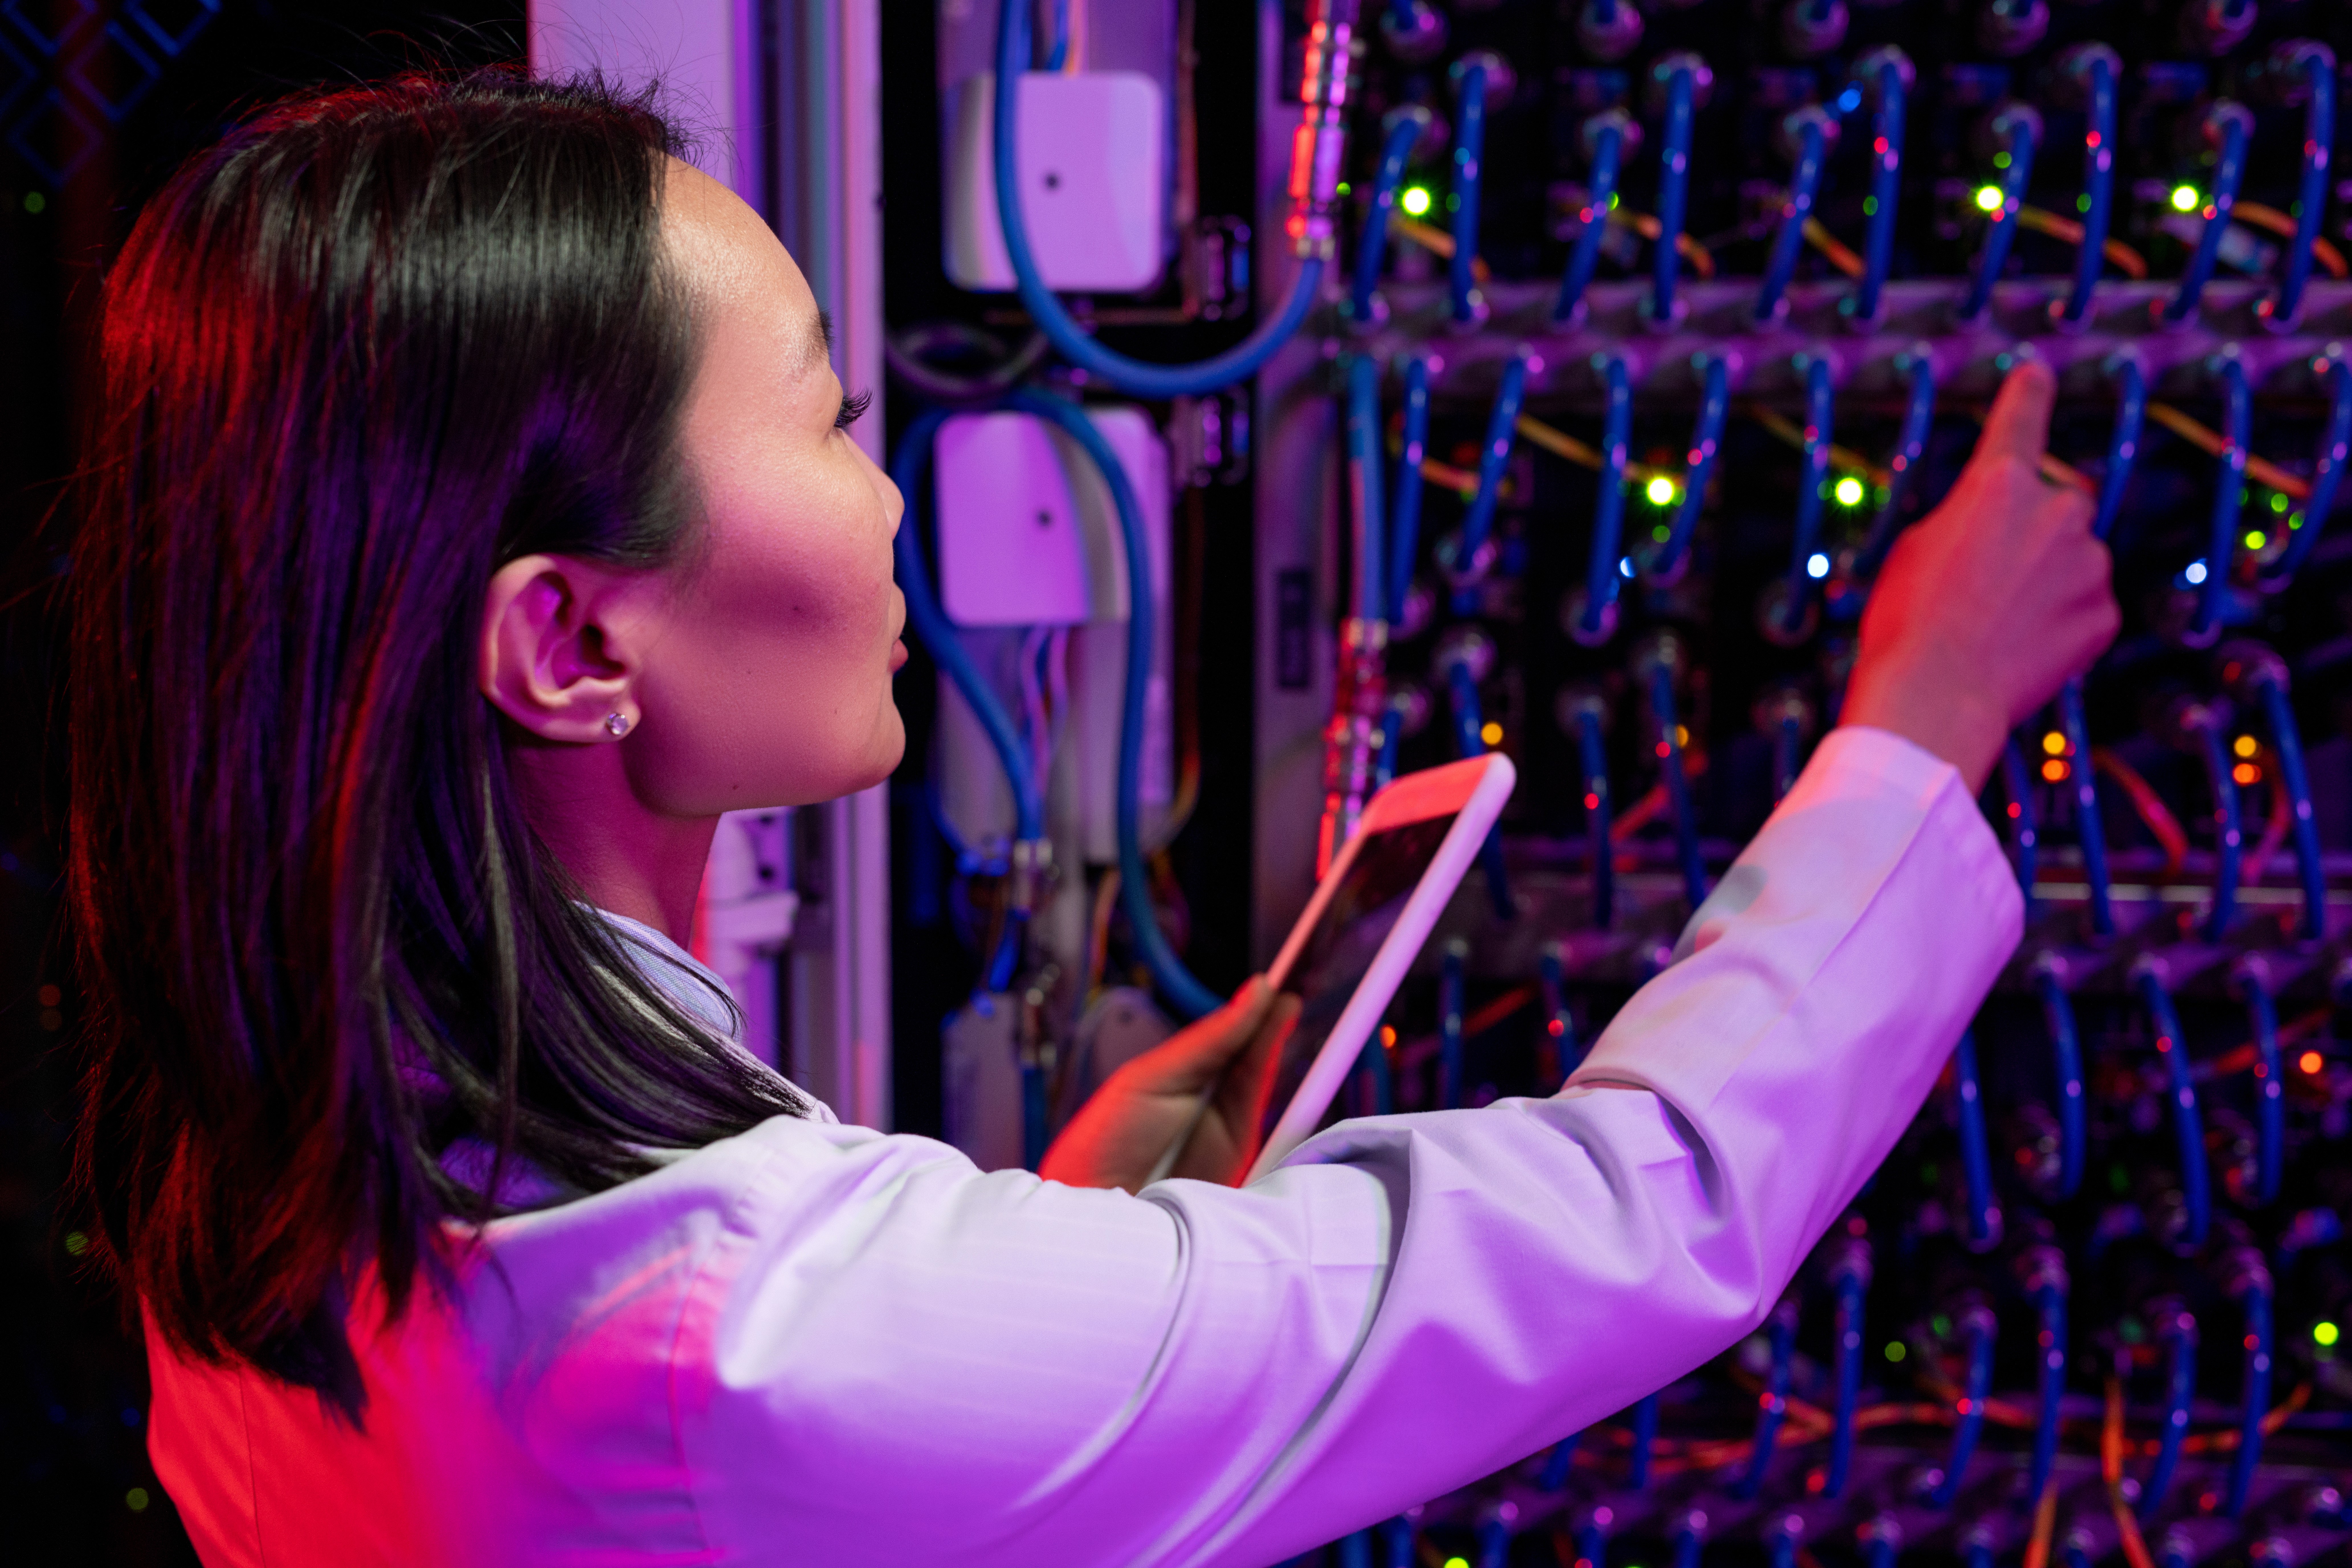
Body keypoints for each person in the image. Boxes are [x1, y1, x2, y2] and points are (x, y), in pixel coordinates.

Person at [68, 70, 2116, 1568]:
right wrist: (1920, 728)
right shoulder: (759, 1339)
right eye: (825, 421)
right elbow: (1645, 1209)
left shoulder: (244, 1168)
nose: (881, 499)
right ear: (573, 647)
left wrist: (1061, 1241)